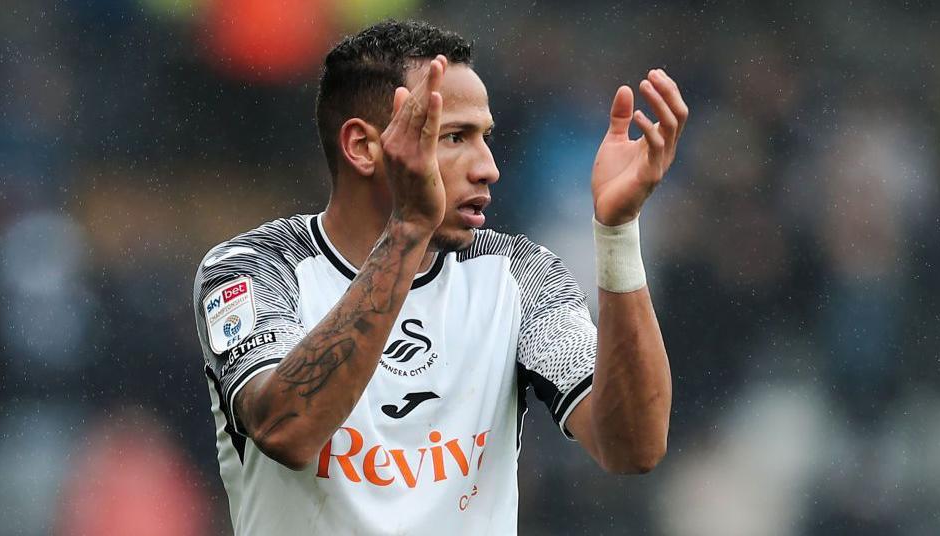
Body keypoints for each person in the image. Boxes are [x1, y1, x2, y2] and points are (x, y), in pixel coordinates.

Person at [193, 19, 687, 535]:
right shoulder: (255, 267)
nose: (488, 167)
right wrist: (408, 230)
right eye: (453, 136)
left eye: (485, 137)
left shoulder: (518, 276)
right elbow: (287, 430)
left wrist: (617, 233)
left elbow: (633, 445)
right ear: (364, 147)